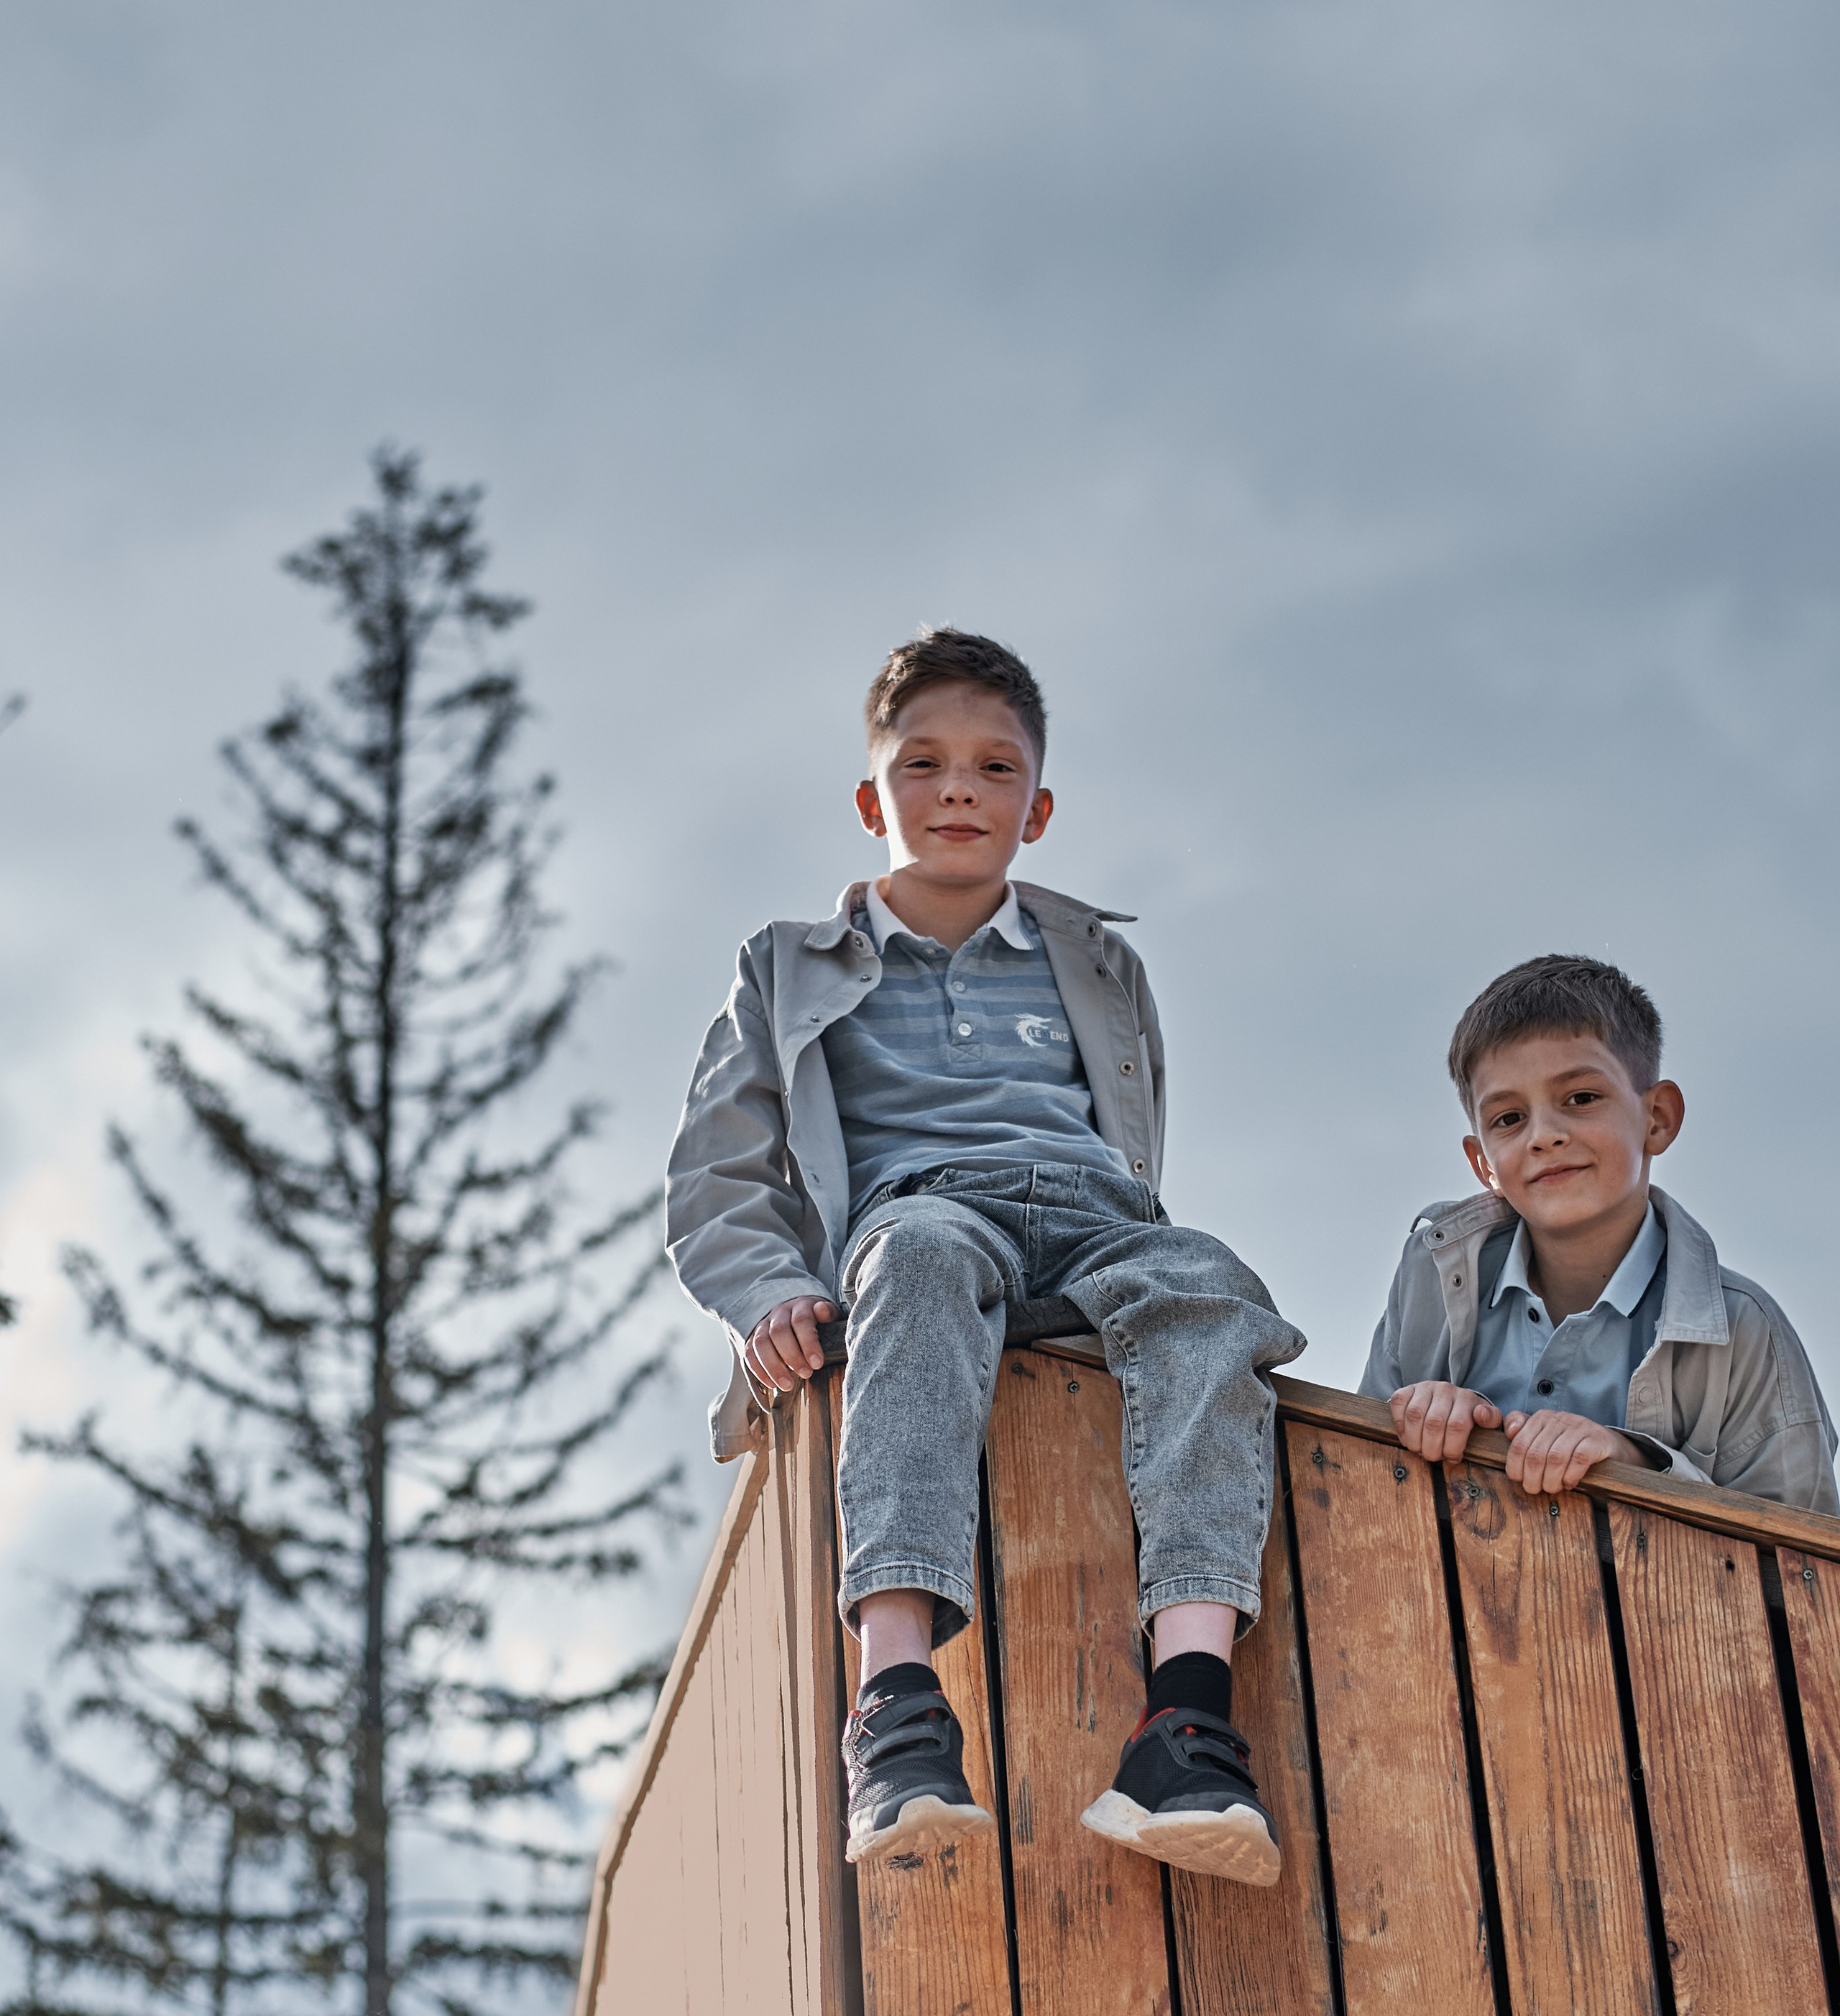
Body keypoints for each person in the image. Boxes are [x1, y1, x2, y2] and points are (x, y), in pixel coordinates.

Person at [667, 627, 1304, 1878]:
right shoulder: (786, 966)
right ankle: (897, 1703)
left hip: (1093, 1214)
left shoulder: (1097, 961)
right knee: (913, 1266)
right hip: (922, 1210)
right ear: (872, 801)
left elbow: (1131, 1132)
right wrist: (770, 1289)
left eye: (995, 767)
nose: (959, 788)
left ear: (1038, 809)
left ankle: (1185, 1719)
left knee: (1212, 1288)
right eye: (924, 763)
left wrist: (1139, 1263)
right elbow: (715, 1173)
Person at [1362, 952, 1838, 1511]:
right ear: (1483, 1163)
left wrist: (1636, 1464)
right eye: (1509, 1118)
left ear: (1657, 1118)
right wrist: (1415, 1421)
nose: (1544, 1135)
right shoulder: (1430, 1280)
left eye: (1581, 1098)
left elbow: (1802, 1553)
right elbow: (1351, 1489)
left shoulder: (1744, 1332)